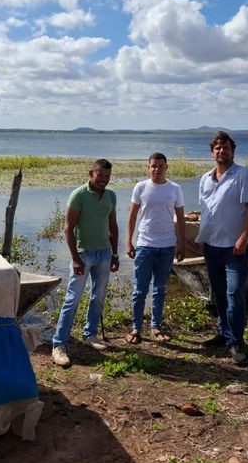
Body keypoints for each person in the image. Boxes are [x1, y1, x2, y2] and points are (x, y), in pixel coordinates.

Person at [196, 131, 248, 367]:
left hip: (235, 247)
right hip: (211, 245)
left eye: (226, 148)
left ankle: (236, 342)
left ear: (233, 151)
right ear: (212, 152)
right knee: (219, 294)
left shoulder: (243, 175)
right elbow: (206, 210)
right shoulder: (205, 178)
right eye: (217, 148)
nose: (221, 151)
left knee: (235, 294)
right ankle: (223, 332)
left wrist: (244, 238)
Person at [51, 159, 119, 368]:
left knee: (98, 297)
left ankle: (90, 335)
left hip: (104, 253)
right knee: (72, 298)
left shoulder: (110, 196)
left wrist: (115, 254)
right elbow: (68, 229)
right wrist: (75, 258)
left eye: (107, 177)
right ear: (91, 174)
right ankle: (59, 345)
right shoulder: (79, 195)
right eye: (100, 175)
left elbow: (113, 226)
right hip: (84, 255)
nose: (103, 180)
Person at [125, 153, 186, 344]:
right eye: (153, 166)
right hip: (145, 245)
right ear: (148, 167)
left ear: (166, 167)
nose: (157, 170)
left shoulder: (175, 189)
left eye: (160, 166)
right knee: (139, 290)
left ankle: (155, 326)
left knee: (160, 289)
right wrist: (128, 241)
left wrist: (181, 243)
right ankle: (136, 328)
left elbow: (181, 218)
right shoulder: (141, 187)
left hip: (167, 246)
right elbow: (132, 215)